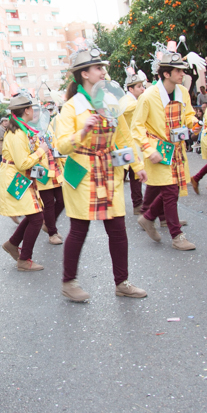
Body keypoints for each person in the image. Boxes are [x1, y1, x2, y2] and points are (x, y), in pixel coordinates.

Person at [55, 44, 147, 302]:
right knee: (79, 229)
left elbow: (125, 136)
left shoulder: (110, 102)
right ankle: (68, 282)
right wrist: (82, 132)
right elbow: (61, 145)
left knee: (117, 229)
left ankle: (122, 282)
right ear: (84, 73)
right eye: (98, 68)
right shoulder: (72, 107)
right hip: (82, 172)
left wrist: (138, 167)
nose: (104, 73)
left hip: (109, 171)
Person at [131, 47, 201, 250]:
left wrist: (194, 123)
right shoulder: (148, 96)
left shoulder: (183, 92)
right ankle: (176, 235)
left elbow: (187, 115)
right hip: (158, 148)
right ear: (166, 74)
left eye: (182, 70)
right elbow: (137, 127)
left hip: (176, 148)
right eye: (178, 71)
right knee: (170, 190)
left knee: (172, 189)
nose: (182, 74)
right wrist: (148, 149)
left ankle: (149, 216)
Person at [0, 93, 50, 271]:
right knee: (36, 218)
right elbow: (22, 163)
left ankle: (12, 245)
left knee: (33, 215)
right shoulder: (18, 133)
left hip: (18, 176)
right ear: (26, 110)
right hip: (16, 176)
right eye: (31, 108)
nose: (34, 111)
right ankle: (24, 259)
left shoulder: (21, 130)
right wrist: (41, 151)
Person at [120, 67, 148, 211]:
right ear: (130, 89)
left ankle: (138, 204)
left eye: (143, 86)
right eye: (139, 87)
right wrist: (144, 100)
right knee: (120, 176)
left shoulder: (136, 99)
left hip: (133, 144)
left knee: (135, 175)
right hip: (123, 144)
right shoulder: (126, 100)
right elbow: (123, 110)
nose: (142, 89)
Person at [37, 103, 66, 245]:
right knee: (48, 204)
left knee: (62, 200)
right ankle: (52, 232)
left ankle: (48, 224)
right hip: (42, 170)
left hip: (55, 168)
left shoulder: (48, 127)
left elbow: (56, 143)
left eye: (49, 111)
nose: (47, 114)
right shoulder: (30, 130)